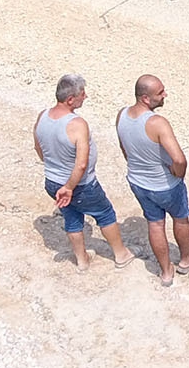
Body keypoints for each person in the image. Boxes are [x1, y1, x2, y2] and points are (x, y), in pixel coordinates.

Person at [34, 74, 132, 272]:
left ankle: (82, 260)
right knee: (105, 214)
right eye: (82, 94)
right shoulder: (77, 124)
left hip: (52, 181)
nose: (85, 97)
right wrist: (70, 186)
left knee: (71, 217)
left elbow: (38, 148)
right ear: (70, 99)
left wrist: (56, 167)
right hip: (80, 185)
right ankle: (121, 254)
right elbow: (81, 164)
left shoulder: (43, 116)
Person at [117, 74, 189, 286]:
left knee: (155, 224)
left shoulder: (121, 115)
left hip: (138, 182)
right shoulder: (157, 123)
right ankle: (185, 260)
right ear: (145, 98)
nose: (165, 95)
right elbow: (179, 159)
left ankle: (166, 272)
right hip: (165, 184)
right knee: (180, 219)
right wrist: (178, 174)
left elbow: (124, 148)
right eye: (160, 93)